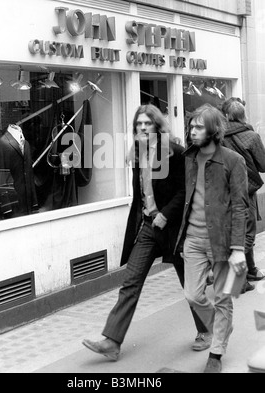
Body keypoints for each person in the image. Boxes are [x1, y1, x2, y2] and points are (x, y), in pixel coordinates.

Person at [82, 104, 210, 362]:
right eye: (138, 124)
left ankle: (207, 330)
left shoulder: (174, 153)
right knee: (131, 281)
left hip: (174, 229)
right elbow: (142, 194)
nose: (142, 128)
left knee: (190, 285)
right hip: (149, 228)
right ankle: (112, 341)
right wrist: (147, 219)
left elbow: (186, 191)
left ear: (157, 126)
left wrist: (166, 214)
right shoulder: (138, 155)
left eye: (147, 123)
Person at [174, 103, 249, 373]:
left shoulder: (232, 160)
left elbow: (241, 207)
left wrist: (238, 248)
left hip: (223, 242)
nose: (192, 131)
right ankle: (223, 326)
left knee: (222, 298)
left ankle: (216, 351)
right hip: (192, 238)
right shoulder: (187, 158)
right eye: (191, 126)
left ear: (214, 130)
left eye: (198, 127)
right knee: (192, 295)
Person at [221, 98, 265, 291]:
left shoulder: (218, 135)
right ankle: (238, 279)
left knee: (230, 232)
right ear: (242, 115)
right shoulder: (251, 136)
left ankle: (251, 270)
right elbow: (263, 165)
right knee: (247, 234)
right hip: (245, 191)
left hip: (221, 191)